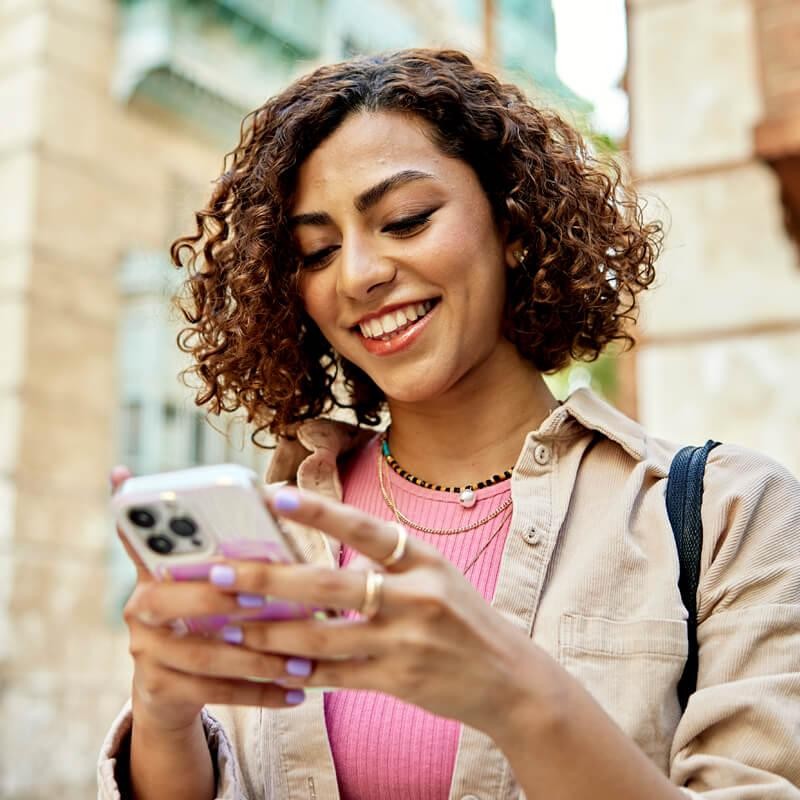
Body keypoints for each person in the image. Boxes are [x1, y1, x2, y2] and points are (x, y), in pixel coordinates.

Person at [98, 49, 800, 800]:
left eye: (404, 220)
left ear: (514, 224)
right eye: (318, 250)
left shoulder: (724, 515)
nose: (359, 274)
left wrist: (518, 698)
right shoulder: (282, 533)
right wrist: (165, 720)